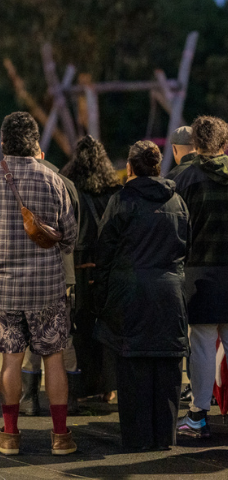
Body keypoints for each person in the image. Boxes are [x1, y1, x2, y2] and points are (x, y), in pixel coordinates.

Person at [0, 112, 77, 457]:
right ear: (36, 144)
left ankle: (10, 436)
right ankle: (60, 437)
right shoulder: (53, 180)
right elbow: (69, 236)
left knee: (11, 361)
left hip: (3, 291)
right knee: (54, 360)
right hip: (47, 288)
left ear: (3, 143)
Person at [92, 140, 189, 451]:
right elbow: (186, 245)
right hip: (170, 292)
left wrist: (101, 298)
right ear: (158, 166)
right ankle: (164, 437)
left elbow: (104, 252)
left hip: (130, 292)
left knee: (133, 367)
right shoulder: (177, 202)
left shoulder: (121, 201)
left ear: (130, 168)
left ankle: (138, 438)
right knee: (167, 366)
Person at [173, 115, 228, 440]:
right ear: (224, 144)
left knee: (203, 346)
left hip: (199, 277)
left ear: (195, 144)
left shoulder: (185, 179)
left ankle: (198, 416)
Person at [19, 153, 81, 417]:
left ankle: (29, 399)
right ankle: (70, 400)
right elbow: (73, 230)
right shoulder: (63, 182)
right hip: (59, 270)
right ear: (42, 154)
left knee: (30, 337)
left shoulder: (10, 182)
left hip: (22, 273)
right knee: (62, 336)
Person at [61, 136, 122, 401]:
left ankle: (84, 385)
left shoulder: (69, 190)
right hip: (108, 269)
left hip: (79, 269)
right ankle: (109, 387)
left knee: (81, 329)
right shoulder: (114, 192)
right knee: (108, 328)